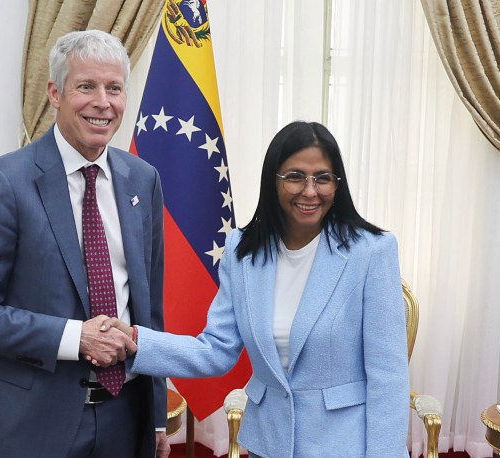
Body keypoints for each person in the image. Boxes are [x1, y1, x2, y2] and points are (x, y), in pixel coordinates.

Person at [102, 121, 410, 457]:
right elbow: (217, 349)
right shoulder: (241, 250)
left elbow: (388, 378)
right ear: (273, 180)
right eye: (295, 177)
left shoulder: (372, 251)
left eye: (323, 178)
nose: (310, 191)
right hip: (269, 444)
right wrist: (136, 342)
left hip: (344, 446)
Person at [0, 30, 170, 458]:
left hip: (126, 421)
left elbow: (149, 309)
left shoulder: (144, 180)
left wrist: (156, 414)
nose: (103, 102)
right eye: (86, 86)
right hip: (33, 427)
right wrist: (75, 338)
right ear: (54, 93)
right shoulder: (4, 182)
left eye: (114, 88)